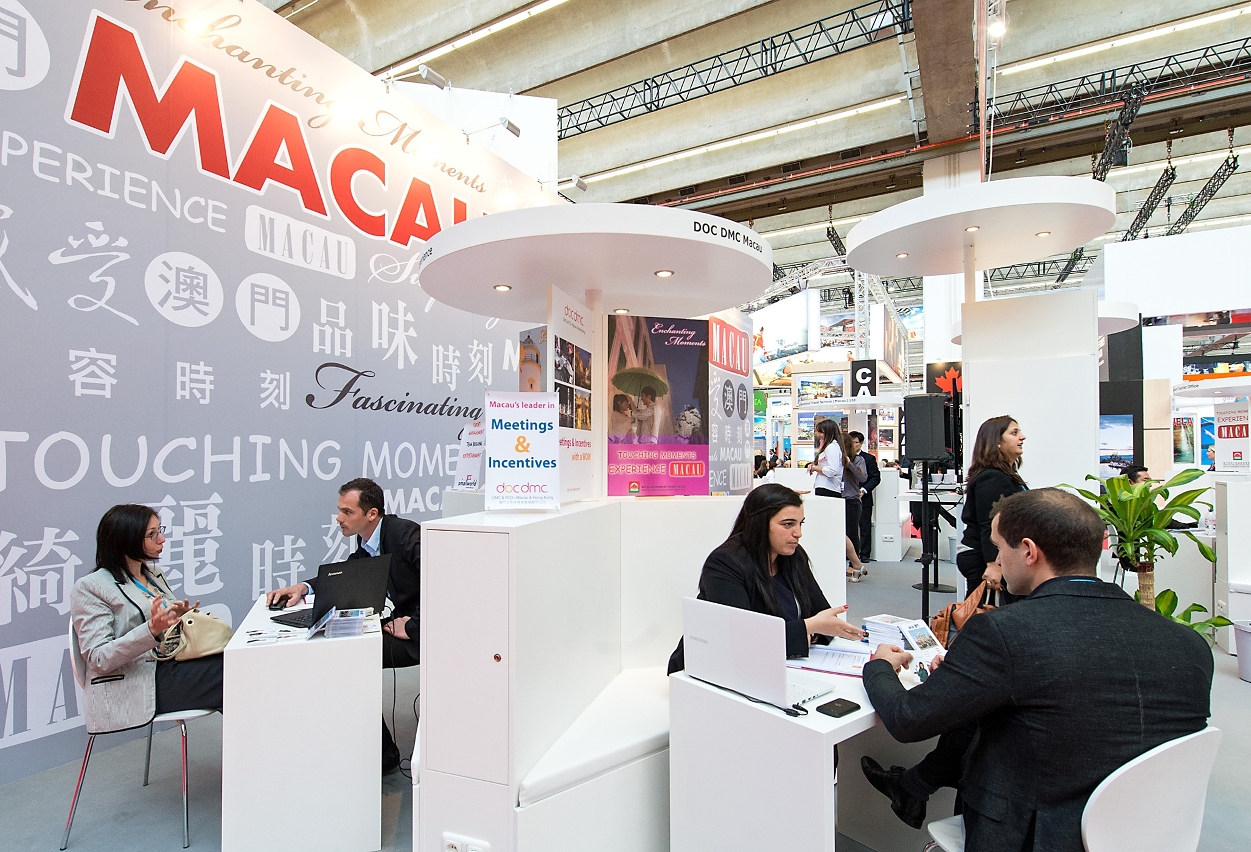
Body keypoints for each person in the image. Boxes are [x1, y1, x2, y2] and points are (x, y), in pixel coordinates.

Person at [862, 489, 1212, 852]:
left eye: (999, 549)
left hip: (1032, 835)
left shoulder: (1004, 633)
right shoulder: (1190, 644)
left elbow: (908, 720)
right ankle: (914, 787)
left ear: (1028, 551)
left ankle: (913, 788)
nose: (997, 560)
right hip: (1153, 832)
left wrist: (880, 667)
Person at [268, 478, 421, 774]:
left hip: (425, 633)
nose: (339, 518)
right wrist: (304, 587)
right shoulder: (369, 542)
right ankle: (375, 750)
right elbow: (350, 573)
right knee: (343, 655)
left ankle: (383, 755)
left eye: (347, 512)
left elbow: (448, 580)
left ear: (372, 514)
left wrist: (416, 626)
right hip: (406, 624)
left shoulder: (405, 534)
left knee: (349, 658)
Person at [667, 483, 865, 674]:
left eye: (800, 523)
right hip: (713, 670)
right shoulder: (725, 563)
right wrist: (808, 628)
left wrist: (804, 631)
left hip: (776, 667)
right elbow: (742, 639)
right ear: (760, 523)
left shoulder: (793, 557)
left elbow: (822, 615)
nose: (798, 533)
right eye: (788, 524)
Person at [71, 505, 223, 734]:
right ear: (127, 540)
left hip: (170, 666)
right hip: (137, 683)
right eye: (152, 534)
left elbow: (166, 633)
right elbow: (98, 658)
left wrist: (179, 617)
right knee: (230, 675)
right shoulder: (91, 587)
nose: (161, 539)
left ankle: (253, 758)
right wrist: (150, 630)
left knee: (236, 663)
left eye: (159, 530)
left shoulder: (154, 574)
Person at [958, 416, 1027, 605]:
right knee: (978, 618)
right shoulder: (992, 477)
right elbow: (990, 521)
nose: (1022, 437)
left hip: (994, 556)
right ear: (996, 442)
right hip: (984, 557)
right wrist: (993, 563)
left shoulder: (1004, 474)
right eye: (1014, 433)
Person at [806, 419, 868, 581]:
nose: (817, 434)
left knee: (838, 531)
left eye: (819, 431)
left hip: (828, 491)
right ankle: (855, 564)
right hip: (825, 490)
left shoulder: (832, 447)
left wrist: (815, 468)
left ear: (826, 431)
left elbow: (833, 470)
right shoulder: (830, 447)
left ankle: (856, 564)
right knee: (835, 531)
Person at [848, 431, 880, 563]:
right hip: (848, 497)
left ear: (861, 444)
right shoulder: (843, 458)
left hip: (863, 497)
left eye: (855, 442)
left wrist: (864, 490)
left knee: (864, 526)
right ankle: (850, 553)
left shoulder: (868, 459)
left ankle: (865, 554)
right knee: (850, 527)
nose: (852, 445)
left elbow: (875, 477)